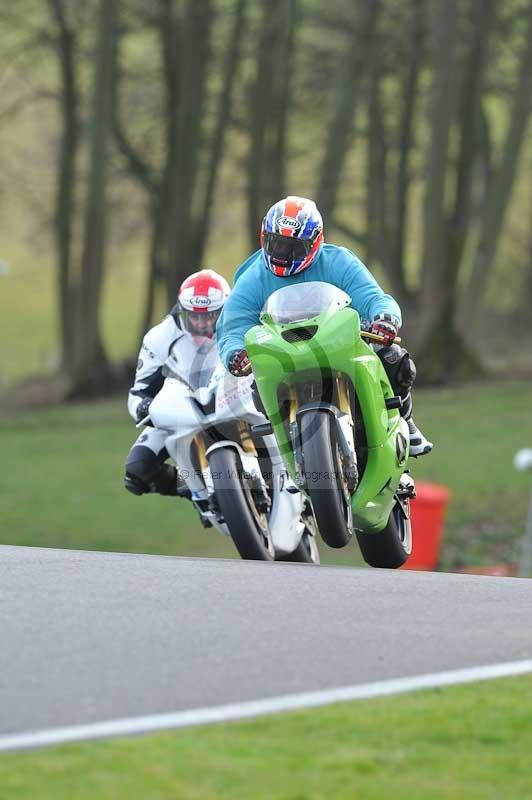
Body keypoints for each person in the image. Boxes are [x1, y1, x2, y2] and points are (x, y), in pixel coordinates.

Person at [216, 196, 432, 457]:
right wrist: (235, 352)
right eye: (276, 244)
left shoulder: (339, 262)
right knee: (257, 387)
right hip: (283, 353)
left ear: (316, 242)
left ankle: (406, 421)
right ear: (264, 237)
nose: (283, 255)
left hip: (338, 343)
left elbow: (373, 297)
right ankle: (287, 448)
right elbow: (233, 324)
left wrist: (384, 319)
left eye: (294, 247)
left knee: (394, 359)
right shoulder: (252, 278)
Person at [124, 269, 231, 496]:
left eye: (210, 315)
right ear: (182, 311)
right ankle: (197, 487)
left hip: (234, 399)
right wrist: (146, 408)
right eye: (194, 316)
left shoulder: (241, 323)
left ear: (224, 310)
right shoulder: (159, 337)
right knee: (138, 469)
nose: (201, 323)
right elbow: (138, 392)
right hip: (187, 411)